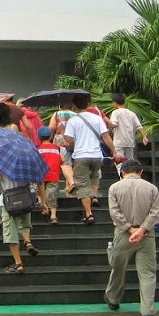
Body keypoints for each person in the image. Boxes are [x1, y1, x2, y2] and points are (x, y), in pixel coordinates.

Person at [0, 102, 42, 273]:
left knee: (10, 232)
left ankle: (18, 263)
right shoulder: (23, 152)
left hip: (8, 197)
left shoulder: (1, 154)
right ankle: (28, 241)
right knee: (25, 223)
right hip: (24, 193)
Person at [104, 160, 159, 316]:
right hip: (147, 235)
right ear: (141, 171)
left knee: (118, 268)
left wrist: (130, 229)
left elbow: (114, 212)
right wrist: (142, 229)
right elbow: (155, 213)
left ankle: (113, 298)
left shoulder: (114, 188)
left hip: (123, 234)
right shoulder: (151, 188)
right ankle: (148, 311)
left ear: (122, 172)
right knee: (148, 273)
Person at [63, 92, 118, 225]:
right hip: (97, 156)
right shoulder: (97, 119)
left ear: (74, 106)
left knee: (82, 184)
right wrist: (114, 151)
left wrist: (71, 138)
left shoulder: (72, 121)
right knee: (94, 177)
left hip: (81, 156)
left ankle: (89, 213)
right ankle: (94, 197)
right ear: (87, 104)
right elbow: (105, 136)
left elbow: (68, 139)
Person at [109, 93, 149, 175]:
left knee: (119, 163)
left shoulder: (115, 112)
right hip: (130, 142)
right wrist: (144, 136)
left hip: (119, 141)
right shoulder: (131, 113)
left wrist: (107, 125)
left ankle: (122, 180)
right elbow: (139, 126)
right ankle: (131, 179)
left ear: (115, 102)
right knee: (130, 164)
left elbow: (114, 124)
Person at [49, 102, 77, 194]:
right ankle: (68, 186)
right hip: (74, 141)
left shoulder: (57, 114)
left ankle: (71, 182)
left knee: (64, 163)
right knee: (71, 163)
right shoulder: (76, 115)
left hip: (61, 141)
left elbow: (52, 127)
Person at [37, 126, 63, 224]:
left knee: (40, 192)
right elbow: (62, 160)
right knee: (52, 194)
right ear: (51, 136)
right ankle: (53, 215)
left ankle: (43, 206)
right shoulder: (56, 149)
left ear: (39, 137)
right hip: (53, 174)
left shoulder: (38, 149)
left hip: (41, 175)